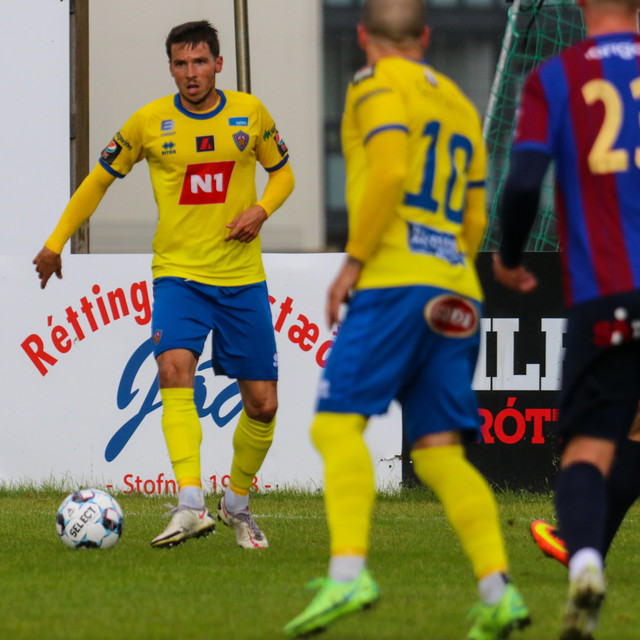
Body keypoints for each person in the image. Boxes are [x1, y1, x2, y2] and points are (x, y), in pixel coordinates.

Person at [284, 1, 530, 638]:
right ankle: (498, 591)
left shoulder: (372, 84)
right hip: (457, 287)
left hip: (395, 280)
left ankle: (347, 575)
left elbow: (392, 168)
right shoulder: (459, 103)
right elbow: (476, 213)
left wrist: (354, 263)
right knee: (440, 454)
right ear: (425, 36)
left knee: (336, 427)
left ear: (362, 35)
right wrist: (450, 268)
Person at [33, 20, 295, 550]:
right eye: (181, 63)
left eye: (200, 62)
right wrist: (56, 241)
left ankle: (236, 505)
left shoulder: (251, 112)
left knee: (263, 404)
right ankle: (191, 504)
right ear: (171, 67)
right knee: (174, 369)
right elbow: (98, 180)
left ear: (219, 64)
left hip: (241, 278)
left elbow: (284, 173)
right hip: (179, 275)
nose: (191, 73)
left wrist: (261, 210)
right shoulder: (149, 122)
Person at [492, 0, 640, 635]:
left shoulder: (556, 76)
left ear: (579, 3)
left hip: (607, 293)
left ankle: (584, 559)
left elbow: (524, 182)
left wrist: (508, 256)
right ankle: (584, 546)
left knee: (586, 446)